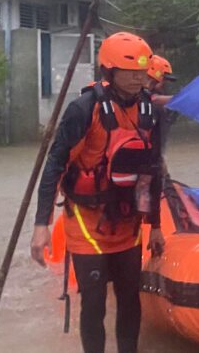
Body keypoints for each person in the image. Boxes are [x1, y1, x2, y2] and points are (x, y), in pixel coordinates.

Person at [30, 32, 165, 353]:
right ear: (110, 71)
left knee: (130, 300)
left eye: (142, 71)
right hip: (87, 225)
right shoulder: (83, 110)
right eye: (129, 71)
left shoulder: (150, 112)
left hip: (128, 223)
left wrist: (155, 224)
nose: (137, 78)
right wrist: (41, 226)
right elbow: (55, 166)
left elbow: (152, 170)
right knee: (93, 303)